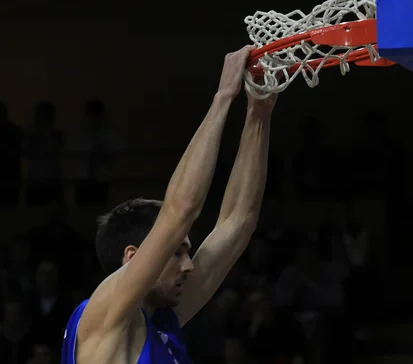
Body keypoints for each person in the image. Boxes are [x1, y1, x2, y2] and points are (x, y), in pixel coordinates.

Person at [61, 45, 278, 364]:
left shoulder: (159, 319)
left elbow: (238, 221)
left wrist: (258, 113)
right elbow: (181, 210)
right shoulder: (104, 313)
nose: (188, 265)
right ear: (132, 257)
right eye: (176, 252)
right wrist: (222, 99)